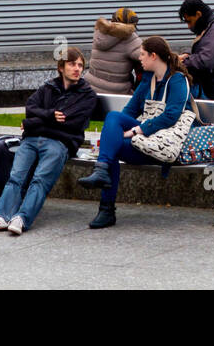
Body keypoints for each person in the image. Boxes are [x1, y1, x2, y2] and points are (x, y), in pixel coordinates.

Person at [77, 36, 193, 229]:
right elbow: (130, 111)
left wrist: (138, 129)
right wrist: (116, 133)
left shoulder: (177, 80)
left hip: (165, 146)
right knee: (113, 132)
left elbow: (171, 116)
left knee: (111, 143)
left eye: (142, 54)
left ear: (153, 56)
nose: (139, 58)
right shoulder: (148, 80)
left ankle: (105, 200)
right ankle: (104, 197)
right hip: (146, 141)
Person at [0, 47, 96, 235]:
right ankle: (1, 215)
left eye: (81, 65)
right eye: (72, 64)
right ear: (61, 67)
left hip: (60, 143)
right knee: (16, 177)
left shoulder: (87, 95)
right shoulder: (48, 88)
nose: (77, 69)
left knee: (40, 180)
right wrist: (48, 116)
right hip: (32, 139)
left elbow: (70, 124)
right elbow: (30, 108)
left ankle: (22, 217)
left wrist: (31, 124)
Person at [87, 6, 143, 95]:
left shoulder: (100, 31)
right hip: (117, 92)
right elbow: (146, 58)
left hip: (91, 87)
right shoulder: (130, 38)